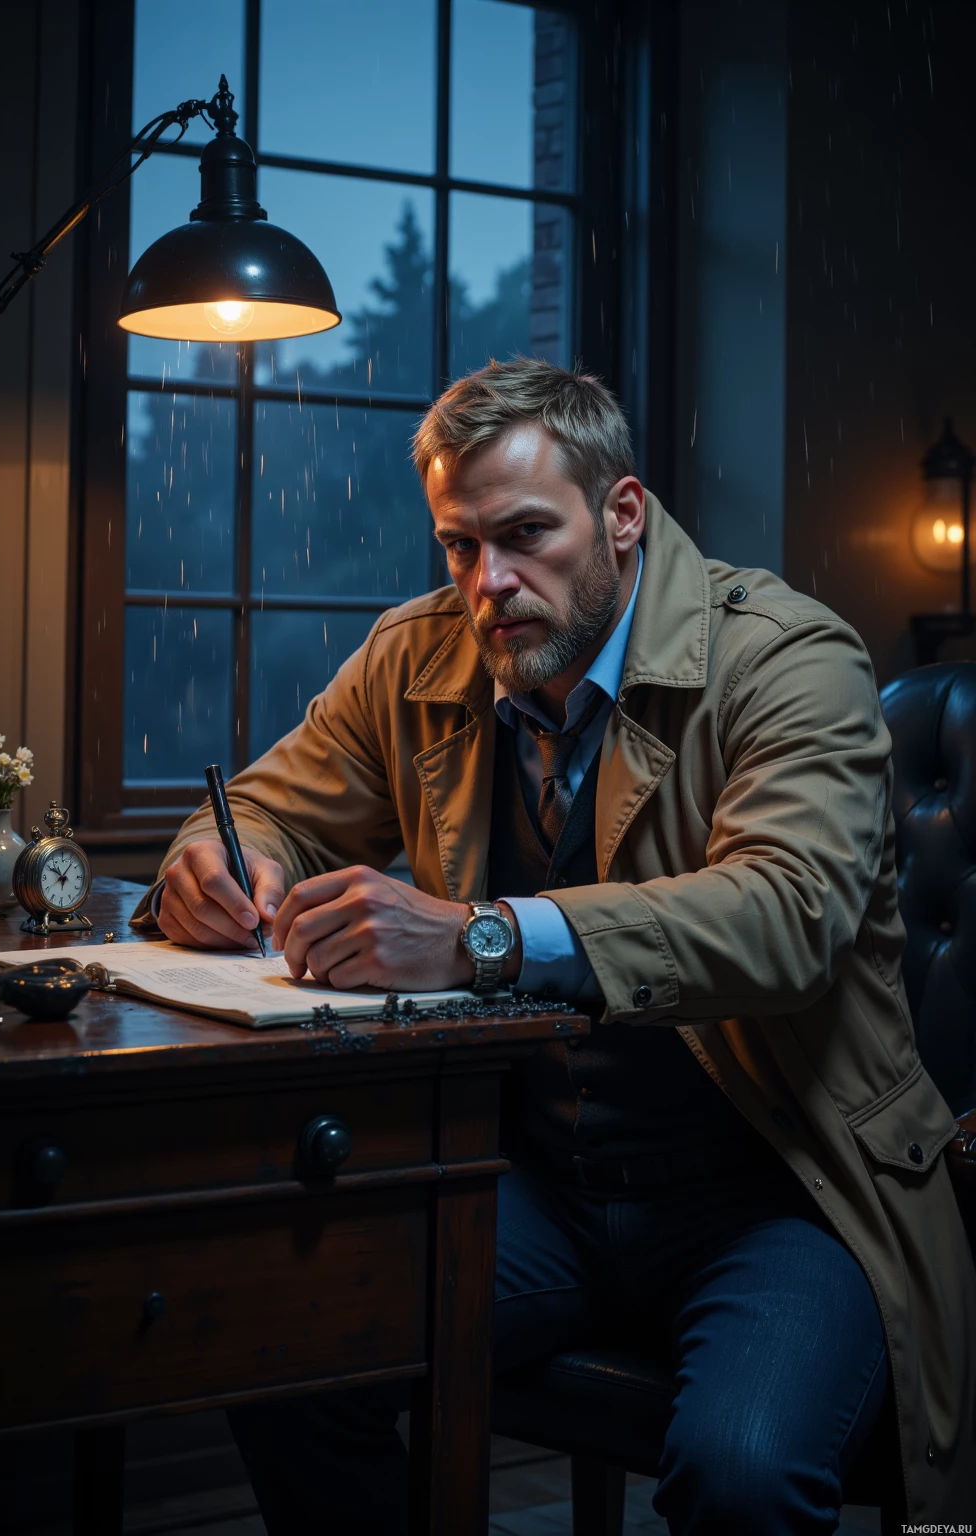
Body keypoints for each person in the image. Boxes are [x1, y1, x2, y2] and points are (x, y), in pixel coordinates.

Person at [132, 359, 975, 1533]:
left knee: (740, 1472)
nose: (490, 583)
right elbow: (267, 809)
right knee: (280, 1344)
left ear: (621, 515)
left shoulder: (787, 657)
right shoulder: (417, 654)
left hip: (786, 1190)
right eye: (459, 546)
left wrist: (483, 935)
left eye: (527, 535)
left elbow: (790, 915)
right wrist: (218, 862)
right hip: (533, 1184)